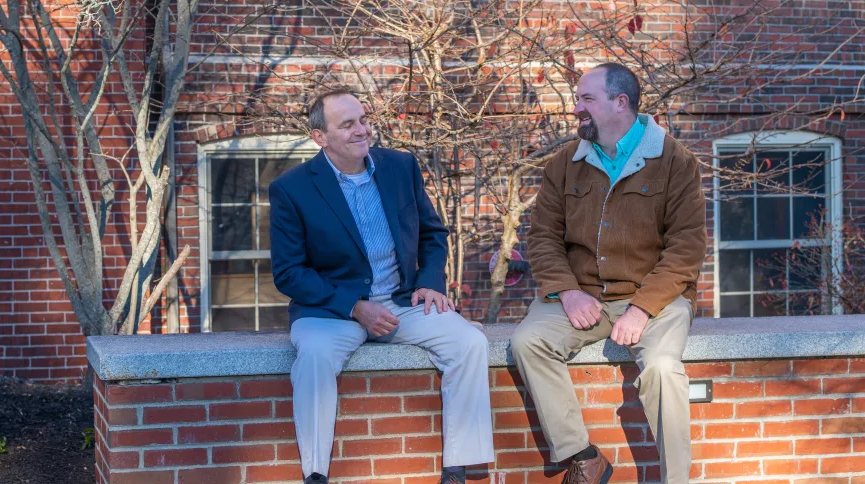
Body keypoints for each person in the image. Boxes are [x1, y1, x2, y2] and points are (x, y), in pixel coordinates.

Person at [269, 87, 494, 484]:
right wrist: (355, 307)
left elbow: (432, 233)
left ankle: (459, 469)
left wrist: (430, 281)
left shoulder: (399, 167)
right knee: (315, 358)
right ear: (320, 137)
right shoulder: (292, 189)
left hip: (402, 302)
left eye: (363, 120)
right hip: (331, 310)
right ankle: (315, 473)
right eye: (348, 124)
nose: (362, 130)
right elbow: (289, 272)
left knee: (469, 342)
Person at [510, 63, 707, 484]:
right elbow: (543, 237)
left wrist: (641, 309)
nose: (576, 108)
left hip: (655, 297)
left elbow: (686, 249)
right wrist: (567, 292)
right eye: (578, 98)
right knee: (528, 341)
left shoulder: (675, 162)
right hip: (583, 296)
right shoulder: (565, 163)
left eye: (586, 99)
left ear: (621, 103)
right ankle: (582, 457)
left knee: (661, 369)